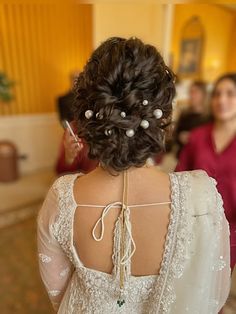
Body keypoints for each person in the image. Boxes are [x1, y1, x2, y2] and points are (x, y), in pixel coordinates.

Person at [37, 37, 230, 313]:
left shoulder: (62, 197)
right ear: (162, 114)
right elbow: (213, 294)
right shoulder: (202, 195)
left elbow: (58, 294)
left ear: (89, 115)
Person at [176, 73, 236, 270]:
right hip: (195, 227)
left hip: (231, 232)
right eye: (218, 94)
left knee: (218, 291)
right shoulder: (197, 136)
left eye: (230, 94)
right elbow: (179, 178)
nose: (222, 100)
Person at [174, 81, 209, 156]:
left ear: (203, 94)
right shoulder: (184, 114)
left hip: (202, 157)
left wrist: (193, 138)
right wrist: (180, 137)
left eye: (195, 92)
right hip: (183, 156)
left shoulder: (209, 117)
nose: (192, 95)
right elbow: (176, 135)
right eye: (190, 92)